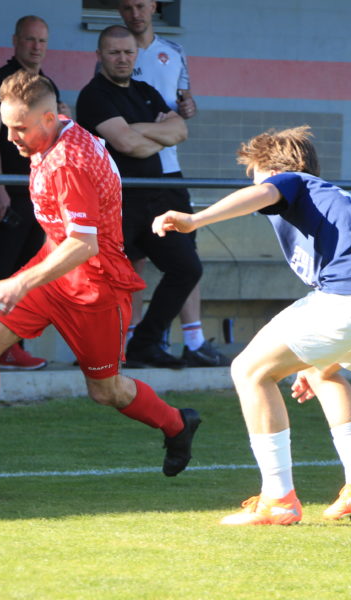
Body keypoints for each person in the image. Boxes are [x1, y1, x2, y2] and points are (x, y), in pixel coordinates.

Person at [0, 69, 201, 490]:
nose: (12, 137)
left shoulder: (69, 162)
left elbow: (84, 246)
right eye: (8, 125)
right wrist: (30, 280)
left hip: (95, 288)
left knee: (106, 392)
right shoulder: (55, 129)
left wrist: (19, 283)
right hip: (53, 269)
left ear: (49, 119)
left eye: (19, 128)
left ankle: (177, 424)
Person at [152, 126, 351, 525]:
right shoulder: (339, 196)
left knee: (249, 371)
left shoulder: (290, 180)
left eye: (255, 173)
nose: (256, 183)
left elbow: (264, 193)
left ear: (269, 168)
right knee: (321, 371)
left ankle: (278, 498)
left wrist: (196, 219)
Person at [76, 25, 201, 369]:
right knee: (111, 282)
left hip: (156, 199)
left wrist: (140, 130)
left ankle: (144, 343)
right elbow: (127, 144)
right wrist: (155, 135)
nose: (122, 59)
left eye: (128, 53)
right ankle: (100, 352)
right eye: (114, 53)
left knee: (186, 268)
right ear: (99, 56)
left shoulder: (146, 91)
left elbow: (181, 131)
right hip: (117, 202)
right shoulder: (94, 96)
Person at [116, 0, 228, 368]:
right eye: (128, 7)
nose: (136, 13)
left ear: (154, 7)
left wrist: (188, 110)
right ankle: (129, 344)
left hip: (169, 171)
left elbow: (184, 103)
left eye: (142, 5)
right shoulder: (114, 54)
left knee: (185, 256)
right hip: (132, 174)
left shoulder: (174, 52)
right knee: (133, 259)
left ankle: (193, 340)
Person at [0, 15, 72, 370]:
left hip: (42, 195)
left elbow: (60, 138)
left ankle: (7, 344)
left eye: (42, 41)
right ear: (15, 41)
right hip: (10, 195)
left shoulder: (47, 85)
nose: (36, 47)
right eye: (29, 40)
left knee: (27, 272)